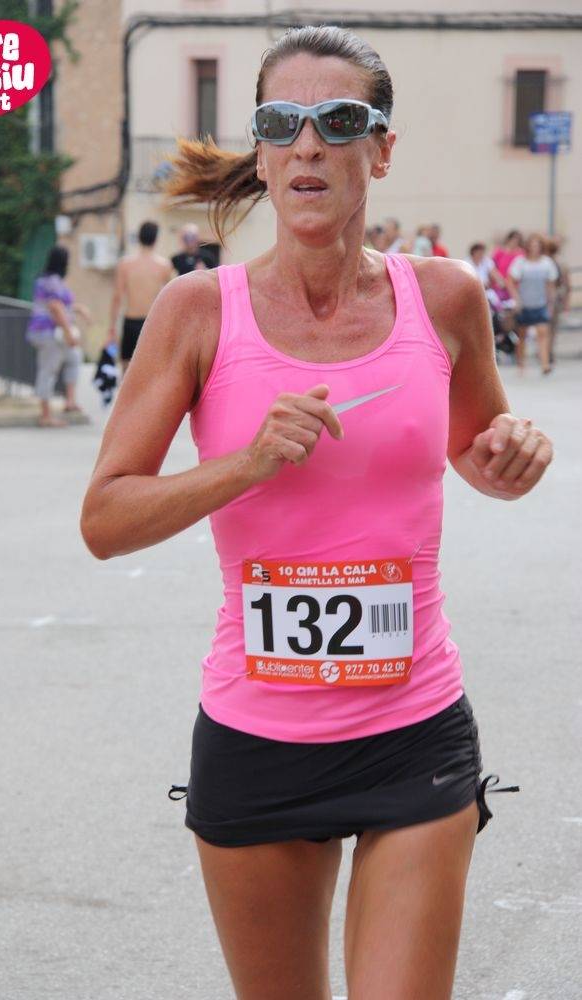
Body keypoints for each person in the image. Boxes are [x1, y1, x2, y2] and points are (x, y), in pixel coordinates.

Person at [80, 26, 552, 1000]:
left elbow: (481, 456)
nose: (307, 144)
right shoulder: (198, 312)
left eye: (338, 120)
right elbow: (106, 519)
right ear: (260, 153)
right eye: (279, 122)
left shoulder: (446, 298)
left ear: (380, 150)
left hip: (414, 726)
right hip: (257, 736)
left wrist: (514, 458)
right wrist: (248, 463)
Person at [26, 245, 88, 427]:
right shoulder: (53, 282)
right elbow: (55, 307)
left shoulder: (45, 280)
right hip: (49, 332)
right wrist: (69, 332)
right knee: (48, 369)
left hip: (48, 332)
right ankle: (45, 415)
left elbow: (60, 306)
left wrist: (78, 309)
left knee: (74, 358)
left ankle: (70, 401)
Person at [107, 221, 173, 373]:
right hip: (152, 323)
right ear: (156, 239)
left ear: (139, 237)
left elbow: (117, 297)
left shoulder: (125, 264)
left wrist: (112, 327)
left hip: (130, 322)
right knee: (152, 372)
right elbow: (171, 299)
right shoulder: (164, 266)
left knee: (126, 371)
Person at [505, 233, 558, 374]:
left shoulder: (546, 263)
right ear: (527, 247)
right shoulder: (521, 262)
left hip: (540, 304)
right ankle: (521, 364)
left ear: (541, 247)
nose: (535, 248)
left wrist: (551, 303)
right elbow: (510, 280)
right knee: (522, 336)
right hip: (524, 305)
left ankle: (545, 364)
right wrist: (516, 298)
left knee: (543, 333)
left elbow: (550, 285)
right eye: (532, 245)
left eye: (537, 245)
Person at [546, 235, 571, 366]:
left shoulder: (561, 263)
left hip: (555, 298)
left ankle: (548, 352)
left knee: (551, 327)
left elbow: (566, 285)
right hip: (545, 298)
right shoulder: (545, 262)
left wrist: (566, 303)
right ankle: (546, 351)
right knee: (547, 327)